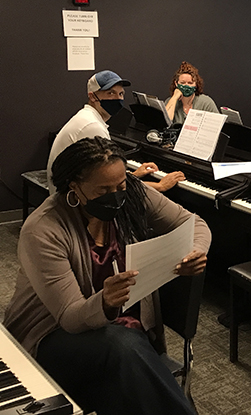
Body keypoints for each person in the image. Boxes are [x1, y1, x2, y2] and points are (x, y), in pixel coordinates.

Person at [4, 137, 211, 415]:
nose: (116, 194)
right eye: (104, 189)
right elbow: (70, 316)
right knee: (123, 349)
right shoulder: (43, 229)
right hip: (51, 334)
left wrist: (193, 251)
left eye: (121, 185)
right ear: (74, 187)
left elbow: (193, 222)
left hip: (125, 335)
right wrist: (106, 302)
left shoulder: (133, 194)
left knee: (123, 379)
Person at [47, 70, 184, 194]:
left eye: (121, 94)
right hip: (70, 200)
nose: (117, 99)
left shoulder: (88, 117)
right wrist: (160, 186)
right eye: (110, 93)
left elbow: (101, 175)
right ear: (93, 97)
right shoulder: (92, 127)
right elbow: (110, 185)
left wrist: (134, 174)